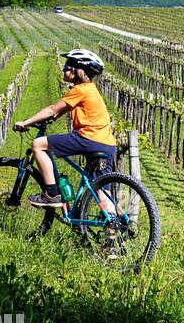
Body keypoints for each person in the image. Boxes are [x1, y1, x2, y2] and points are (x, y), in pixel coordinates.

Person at [12, 49, 115, 207]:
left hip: (88, 139)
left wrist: (25, 123)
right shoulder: (90, 90)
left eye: (67, 65)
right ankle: (114, 226)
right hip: (107, 144)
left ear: (76, 70)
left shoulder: (80, 90)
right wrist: (41, 119)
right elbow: (59, 112)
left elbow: (52, 109)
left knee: (38, 144)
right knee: (102, 190)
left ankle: (52, 194)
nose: (64, 68)